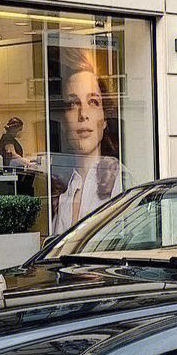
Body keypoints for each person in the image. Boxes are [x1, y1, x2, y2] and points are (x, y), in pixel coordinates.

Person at [49, 59, 127, 234]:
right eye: (72, 104)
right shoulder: (65, 191)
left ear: (104, 117)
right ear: (63, 119)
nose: (83, 115)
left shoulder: (119, 181)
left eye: (93, 102)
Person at [0, 117, 37, 196]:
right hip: (12, 175)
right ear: (14, 128)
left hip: (15, 173)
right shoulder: (8, 138)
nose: (20, 132)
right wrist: (27, 162)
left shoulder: (8, 138)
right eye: (19, 129)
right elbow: (12, 154)